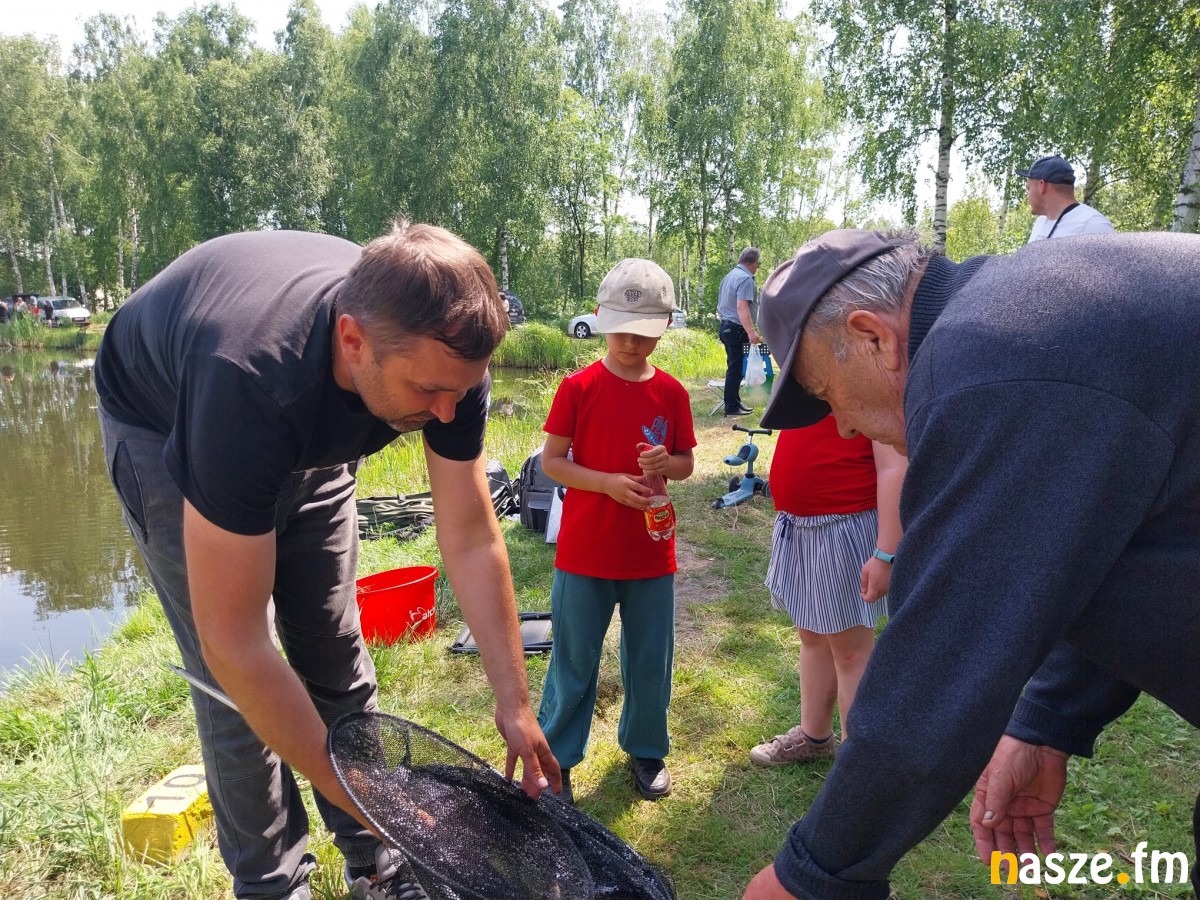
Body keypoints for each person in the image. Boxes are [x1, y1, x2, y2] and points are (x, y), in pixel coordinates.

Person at [94, 224, 561, 900]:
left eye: (460, 392)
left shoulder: (447, 364)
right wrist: (374, 796)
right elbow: (236, 645)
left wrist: (514, 701)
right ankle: (273, 882)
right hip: (163, 421)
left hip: (300, 419)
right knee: (236, 694)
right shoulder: (246, 383)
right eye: (428, 391)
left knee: (335, 650)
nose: (447, 412)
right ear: (352, 340)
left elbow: (469, 535)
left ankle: (375, 861)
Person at [743, 229, 1200, 899]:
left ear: (872, 337)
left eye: (828, 392)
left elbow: (940, 661)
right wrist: (1050, 719)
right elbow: (1112, 544)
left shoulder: (985, 366)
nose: (841, 426)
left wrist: (813, 876)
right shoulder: (1023, 318)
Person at [536, 258, 696, 804]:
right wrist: (605, 483)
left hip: (650, 553)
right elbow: (553, 462)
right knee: (574, 659)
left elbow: (685, 464)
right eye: (621, 329)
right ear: (601, 317)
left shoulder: (671, 393)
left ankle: (646, 749)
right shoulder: (577, 388)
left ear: (665, 326)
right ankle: (557, 759)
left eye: (643, 332)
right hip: (586, 552)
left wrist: (666, 463)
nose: (630, 342)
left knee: (651, 659)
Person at [748, 416, 904, 766]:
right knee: (813, 635)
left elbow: (894, 466)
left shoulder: (867, 389)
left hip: (844, 527)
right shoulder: (812, 387)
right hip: (800, 526)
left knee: (850, 653)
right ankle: (814, 736)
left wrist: (886, 553)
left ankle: (855, 763)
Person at [1018, 154, 1114, 242]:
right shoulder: (1040, 222)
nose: (1027, 196)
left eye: (1028, 189)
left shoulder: (1092, 224)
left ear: (1042, 185)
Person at [717, 247, 762, 415]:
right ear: (754, 263)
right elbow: (742, 307)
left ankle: (735, 402)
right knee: (736, 369)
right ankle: (732, 407)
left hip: (726, 327)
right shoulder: (745, 279)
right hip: (736, 329)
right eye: (758, 265)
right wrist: (751, 332)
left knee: (734, 367)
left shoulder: (730, 276)